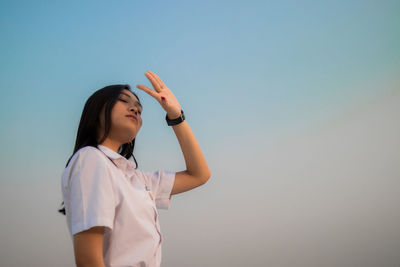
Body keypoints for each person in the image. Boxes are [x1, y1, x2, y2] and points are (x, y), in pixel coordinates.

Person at [59, 70, 211, 267]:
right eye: (124, 100)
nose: (135, 109)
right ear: (97, 110)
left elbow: (199, 175)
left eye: (139, 109)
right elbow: (88, 259)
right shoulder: (91, 159)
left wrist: (175, 115)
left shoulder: (138, 180)